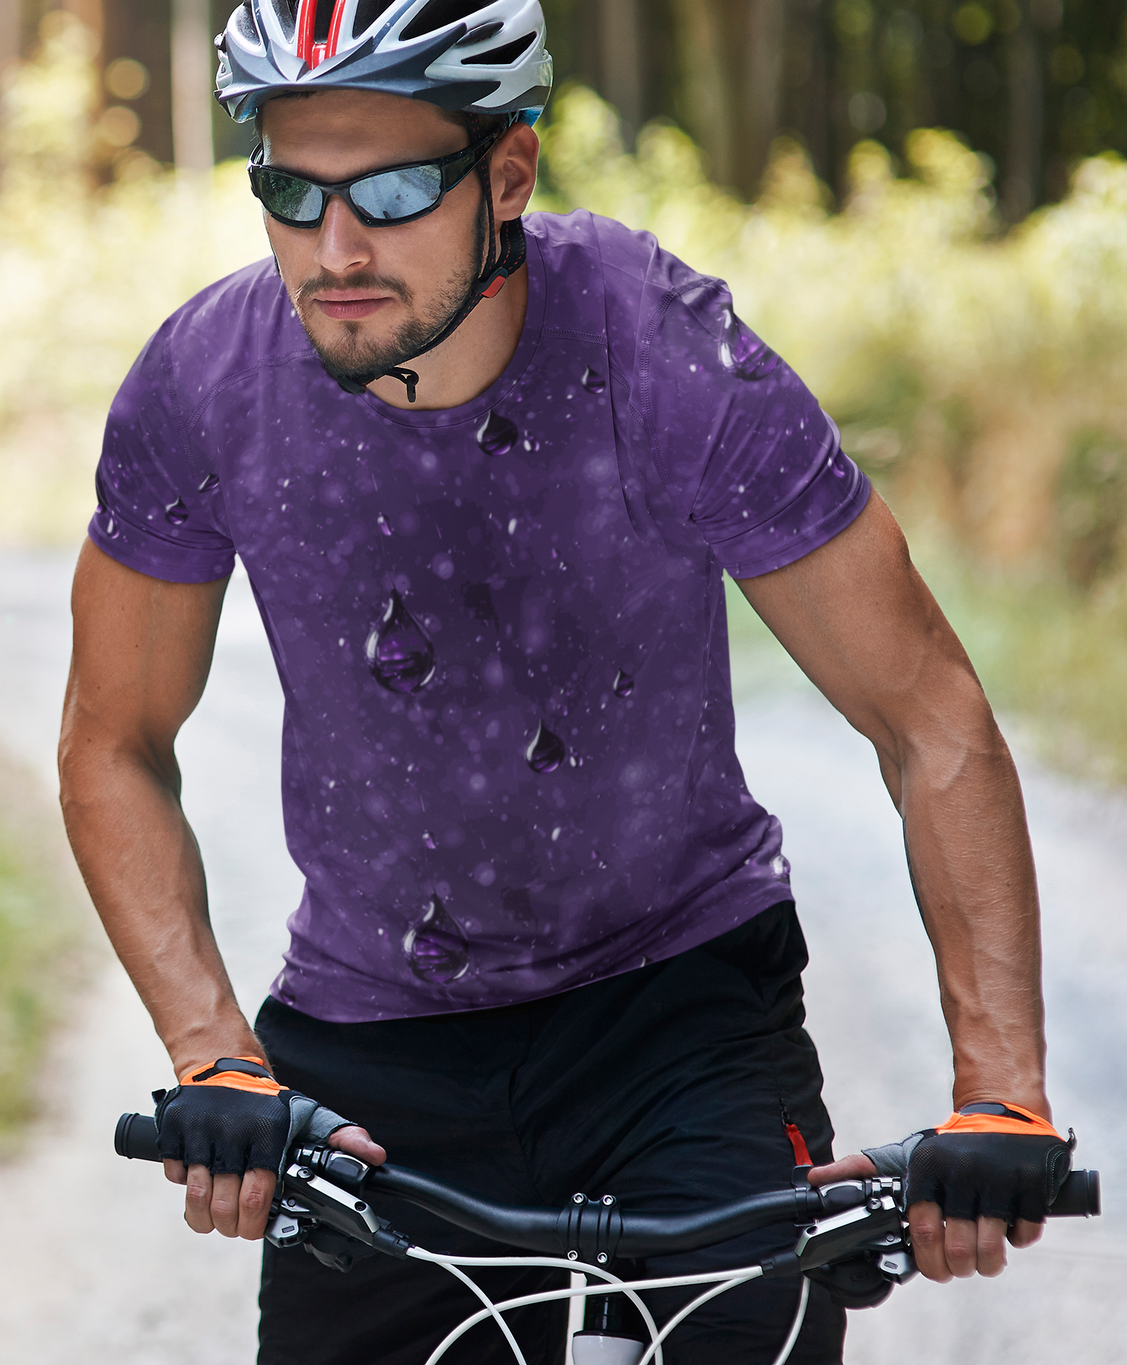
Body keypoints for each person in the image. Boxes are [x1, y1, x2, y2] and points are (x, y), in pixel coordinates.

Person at [57, 1, 1069, 1360]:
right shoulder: (203, 384)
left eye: (396, 189)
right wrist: (215, 1056)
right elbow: (113, 739)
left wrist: (999, 1094)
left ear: (510, 177)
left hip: (684, 1015)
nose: (336, 247)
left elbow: (927, 714)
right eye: (292, 191)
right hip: (372, 1044)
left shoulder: (665, 355)